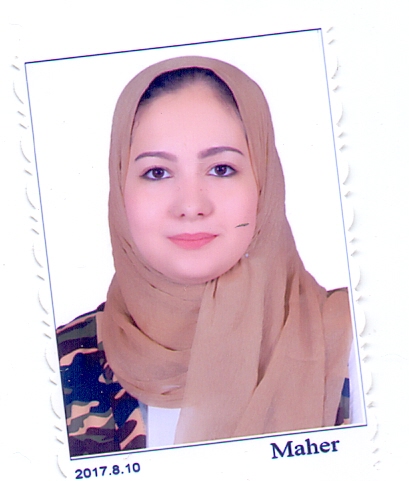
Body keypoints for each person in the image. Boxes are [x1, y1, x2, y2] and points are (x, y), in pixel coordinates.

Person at [57, 55, 352, 457]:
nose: (191, 205)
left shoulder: (359, 343)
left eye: (221, 169)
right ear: (120, 188)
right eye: (157, 172)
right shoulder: (55, 367)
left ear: (264, 181)